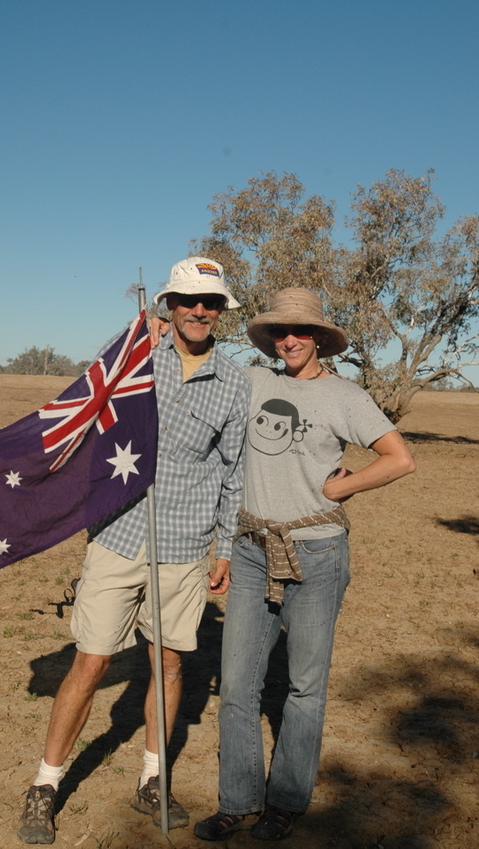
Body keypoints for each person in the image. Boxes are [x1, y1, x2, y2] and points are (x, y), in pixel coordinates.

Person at [0, 257, 250, 845]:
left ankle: (151, 779)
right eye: (190, 300)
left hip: (186, 544)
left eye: (211, 303)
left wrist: (222, 548)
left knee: (167, 665)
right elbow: (73, 414)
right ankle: (44, 785)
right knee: (90, 663)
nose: (200, 310)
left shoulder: (235, 380)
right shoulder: (134, 358)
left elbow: (234, 469)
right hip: (119, 536)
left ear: (222, 313)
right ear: (170, 303)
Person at [193, 287, 416, 842]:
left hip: (315, 552)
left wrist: (344, 487)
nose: (289, 340)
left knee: (304, 686)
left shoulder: (346, 395)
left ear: (320, 339)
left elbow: (399, 457)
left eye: (301, 332)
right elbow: (196, 366)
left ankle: (286, 803)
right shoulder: (252, 381)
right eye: (280, 333)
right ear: (270, 339)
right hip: (249, 549)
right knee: (239, 684)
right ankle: (237, 801)